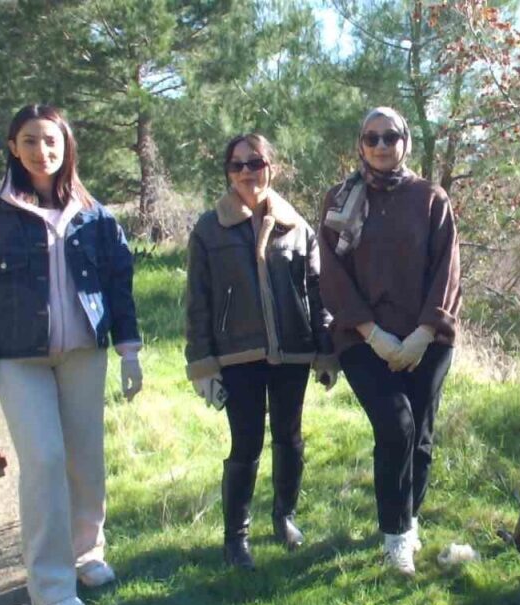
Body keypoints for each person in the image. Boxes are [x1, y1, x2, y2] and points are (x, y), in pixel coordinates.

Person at [0, 104, 143, 605]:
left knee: (85, 460)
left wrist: (128, 350)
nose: (42, 151)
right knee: (45, 461)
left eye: (51, 140)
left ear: (67, 146)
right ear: (13, 148)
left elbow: (119, 287)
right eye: (31, 141)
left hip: (84, 354)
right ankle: (52, 587)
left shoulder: (95, 216)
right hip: (20, 358)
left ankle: (87, 552)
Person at [183, 133, 338, 570]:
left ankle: (284, 517)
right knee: (246, 443)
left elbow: (318, 293)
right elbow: (198, 301)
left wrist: (326, 351)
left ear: (273, 168)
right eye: (237, 165)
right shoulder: (209, 229)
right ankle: (236, 539)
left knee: (289, 437)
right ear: (228, 173)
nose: (246, 172)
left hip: (292, 353)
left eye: (255, 163)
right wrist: (202, 365)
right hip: (238, 355)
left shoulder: (298, 227)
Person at [318, 107, 461, 576]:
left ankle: (409, 518)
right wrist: (372, 333)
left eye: (390, 137)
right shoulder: (339, 200)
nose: (381, 146)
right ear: (360, 144)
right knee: (396, 427)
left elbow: (447, 270)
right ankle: (396, 537)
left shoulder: (430, 198)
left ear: (405, 142)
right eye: (371, 137)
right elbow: (331, 274)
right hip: (362, 338)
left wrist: (422, 334)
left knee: (420, 436)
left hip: (428, 337)